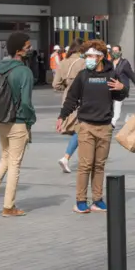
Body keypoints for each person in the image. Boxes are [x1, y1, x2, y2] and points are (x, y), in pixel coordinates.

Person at [56, 40, 127, 214]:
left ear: (101, 56)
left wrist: (122, 88)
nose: (88, 59)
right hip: (86, 125)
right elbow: (72, 98)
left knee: (99, 165)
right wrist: (62, 115)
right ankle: (80, 200)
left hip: (104, 126)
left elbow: (120, 96)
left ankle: (97, 199)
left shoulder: (112, 74)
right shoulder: (83, 75)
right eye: (86, 55)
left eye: (92, 55)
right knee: (85, 165)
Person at [0, 32, 36, 217]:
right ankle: (8, 206)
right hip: (18, 122)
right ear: (19, 50)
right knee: (15, 164)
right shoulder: (24, 71)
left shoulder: (1, 68)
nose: (30, 49)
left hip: (1, 120)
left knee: (5, 157)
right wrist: (31, 119)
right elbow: (27, 102)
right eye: (27, 46)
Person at [53, 38, 86, 173]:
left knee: (78, 129)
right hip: (82, 98)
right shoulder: (84, 63)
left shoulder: (62, 63)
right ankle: (67, 157)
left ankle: (73, 157)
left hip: (67, 98)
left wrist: (66, 87)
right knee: (82, 128)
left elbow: (56, 84)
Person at [110, 45, 135, 127]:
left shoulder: (124, 63)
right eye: (113, 51)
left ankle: (114, 120)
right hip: (112, 86)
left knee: (117, 102)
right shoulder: (110, 63)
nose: (115, 53)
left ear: (120, 52)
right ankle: (112, 118)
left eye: (116, 50)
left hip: (122, 87)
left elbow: (131, 75)